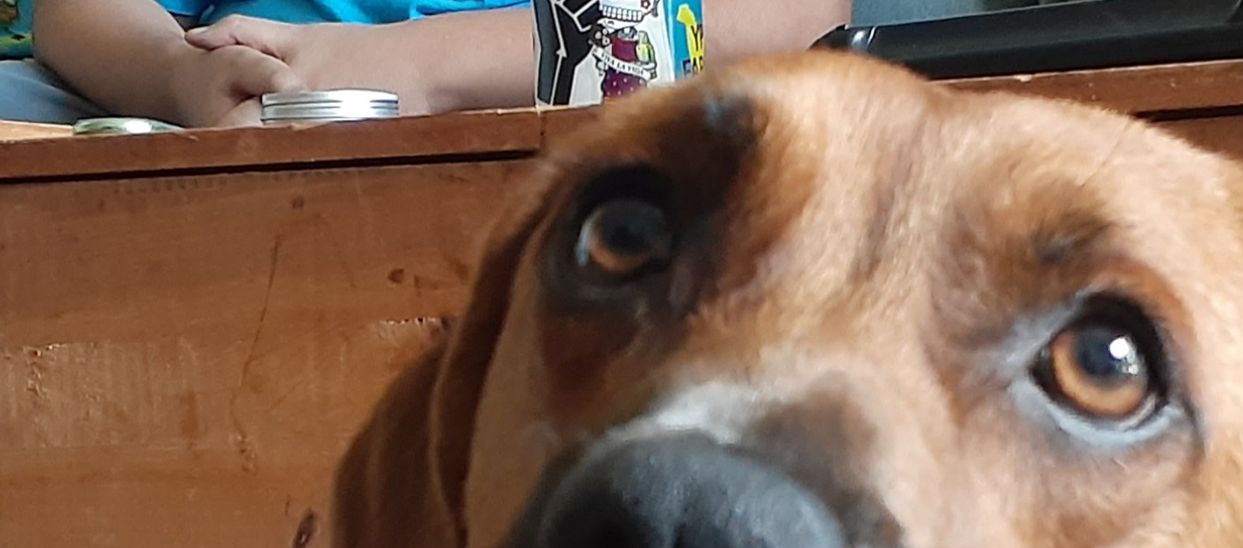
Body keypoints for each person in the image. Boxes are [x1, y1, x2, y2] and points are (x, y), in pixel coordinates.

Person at [0, 0, 849, 126]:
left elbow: (795, 19)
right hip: (245, 120)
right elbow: (77, 11)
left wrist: (413, 66)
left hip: (585, 119)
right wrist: (175, 77)